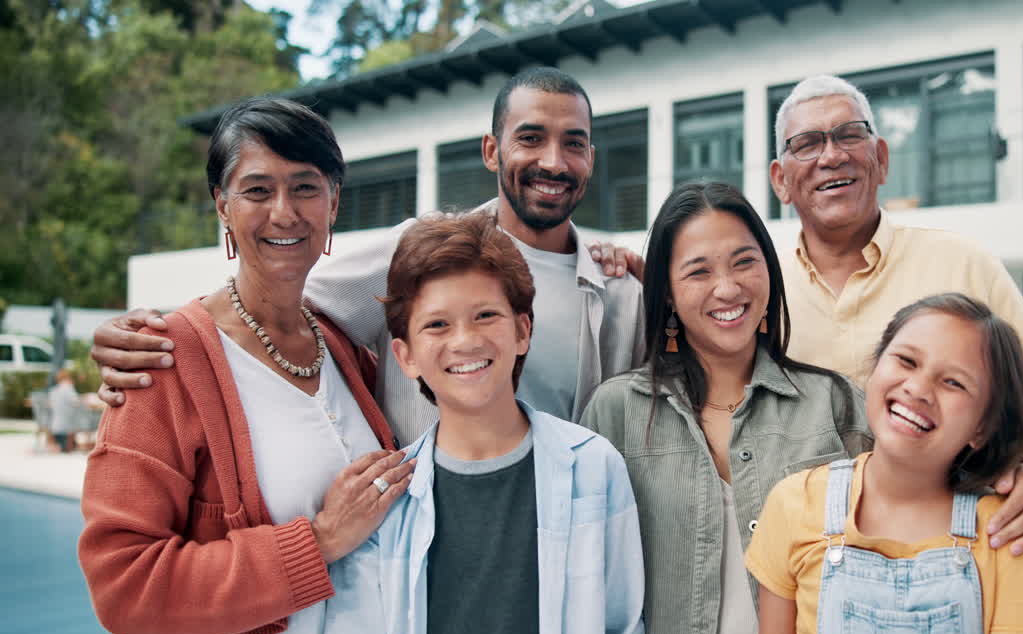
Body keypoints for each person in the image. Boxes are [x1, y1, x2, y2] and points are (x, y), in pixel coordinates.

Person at [579, 184, 1023, 634]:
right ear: (665, 292)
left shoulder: (835, 403)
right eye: (697, 271)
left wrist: (1019, 479)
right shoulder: (615, 413)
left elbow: (925, 482)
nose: (727, 287)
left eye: (744, 261)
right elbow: (588, 583)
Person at [77, 97, 415, 634]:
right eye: (257, 189)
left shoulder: (345, 350)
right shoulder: (164, 361)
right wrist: (318, 542)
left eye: (305, 187)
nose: (284, 211)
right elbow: (123, 587)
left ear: (334, 203)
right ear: (222, 206)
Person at [89, 67, 643, 446]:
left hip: (568, 544)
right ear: (492, 151)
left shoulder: (620, 291)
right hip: (430, 548)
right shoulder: (418, 249)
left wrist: (651, 273)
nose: (554, 162)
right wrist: (158, 336)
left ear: (591, 159)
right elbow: (270, 304)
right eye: (531, 138)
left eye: (573, 143)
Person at [318, 212, 649, 634]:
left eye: (486, 315)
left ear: (523, 331)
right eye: (437, 324)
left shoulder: (594, 469)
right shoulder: (385, 501)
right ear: (405, 356)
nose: (465, 340)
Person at [769, 75, 1023, 525]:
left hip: (947, 549)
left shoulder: (965, 265)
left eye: (849, 135)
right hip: (802, 553)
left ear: (881, 159)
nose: (831, 156)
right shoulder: (761, 293)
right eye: (807, 144)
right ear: (780, 181)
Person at [741, 294, 1023, 634]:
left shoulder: (1011, 534)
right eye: (906, 361)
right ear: (875, 368)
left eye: (954, 383)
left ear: (983, 427)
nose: (918, 389)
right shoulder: (794, 503)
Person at [48, 369, 83, 452]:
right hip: (68, 423)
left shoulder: (54, 390)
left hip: (54, 424)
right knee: (82, 417)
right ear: (68, 378)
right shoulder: (68, 388)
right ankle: (70, 445)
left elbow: (50, 405)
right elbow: (76, 401)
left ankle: (59, 445)